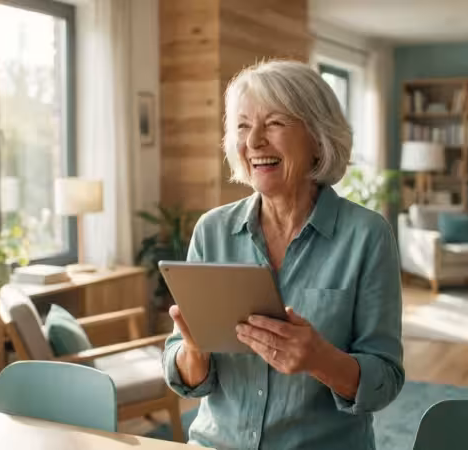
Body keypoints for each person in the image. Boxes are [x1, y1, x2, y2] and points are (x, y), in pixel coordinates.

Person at [161, 60, 403, 449]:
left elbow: (385, 381)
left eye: (273, 123)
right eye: (242, 126)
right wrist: (193, 350)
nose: (253, 141)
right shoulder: (212, 230)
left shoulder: (367, 235)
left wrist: (320, 359)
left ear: (318, 137)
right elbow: (185, 376)